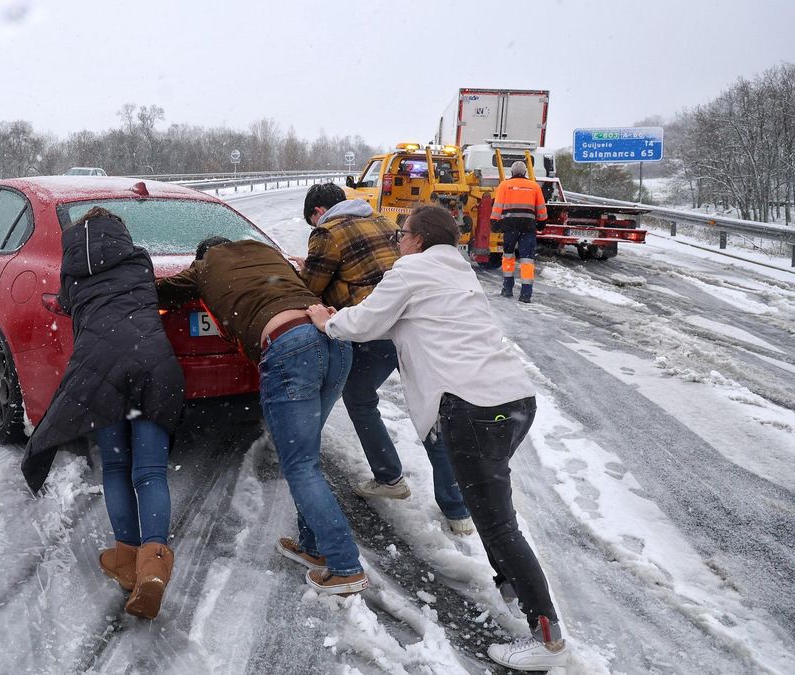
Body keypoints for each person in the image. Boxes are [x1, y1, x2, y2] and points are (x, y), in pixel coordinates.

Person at [307, 205, 569, 671]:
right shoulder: (457, 271)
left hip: (474, 408)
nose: (398, 240)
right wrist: (351, 319)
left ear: (419, 239)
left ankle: (545, 635)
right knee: (493, 510)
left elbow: (365, 323)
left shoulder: (410, 270)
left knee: (498, 523)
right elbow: (394, 322)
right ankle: (512, 585)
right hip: (514, 401)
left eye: (401, 233)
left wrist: (326, 321)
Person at [155, 236, 365, 596]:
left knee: (300, 464)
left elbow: (160, 293)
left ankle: (345, 565)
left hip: (290, 347)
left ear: (201, 257)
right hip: (334, 340)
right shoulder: (267, 253)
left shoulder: (204, 269)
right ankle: (313, 547)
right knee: (306, 457)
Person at [20, 207, 185, 621]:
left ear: (76, 243)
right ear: (121, 234)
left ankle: (128, 558)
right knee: (150, 472)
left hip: (99, 368)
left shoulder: (72, 273)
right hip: (154, 364)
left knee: (115, 466)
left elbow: (64, 304)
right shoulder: (140, 260)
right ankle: (153, 566)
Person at [301, 183, 473, 535]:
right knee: (429, 408)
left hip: (374, 327)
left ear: (318, 212)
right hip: (410, 324)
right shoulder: (381, 221)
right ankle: (456, 508)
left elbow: (311, 285)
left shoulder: (327, 233)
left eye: (311, 220)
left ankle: (389, 476)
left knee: (359, 398)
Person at [491, 160, 548, 303]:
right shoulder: (534, 186)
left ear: (511, 172)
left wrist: (495, 222)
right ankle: (526, 294)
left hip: (510, 227)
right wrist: (542, 222)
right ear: (525, 173)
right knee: (527, 260)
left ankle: (507, 288)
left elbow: (498, 206)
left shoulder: (505, 185)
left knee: (508, 256)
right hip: (528, 227)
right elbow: (541, 207)